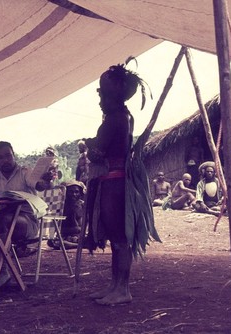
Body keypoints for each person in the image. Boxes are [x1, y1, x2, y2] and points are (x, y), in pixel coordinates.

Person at [85, 60, 159, 305]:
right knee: (117, 238)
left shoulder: (116, 118)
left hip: (115, 184)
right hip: (113, 181)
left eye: (101, 92)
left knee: (120, 238)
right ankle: (115, 285)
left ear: (112, 94)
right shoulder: (121, 116)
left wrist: (89, 145)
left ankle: (123, 289)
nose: (98, 97)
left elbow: (98, 152)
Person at [0, 141, 54, 287]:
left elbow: (38, 184)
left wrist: (44, 182)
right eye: (0, 157)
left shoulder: (25, 172)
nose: (5, 160)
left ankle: (4, 271)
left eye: (8, 156)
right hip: (2, 224)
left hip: (27, 223)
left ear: (14, 155)